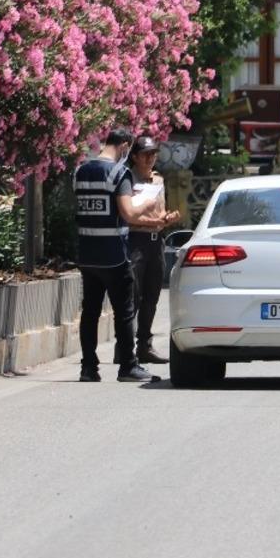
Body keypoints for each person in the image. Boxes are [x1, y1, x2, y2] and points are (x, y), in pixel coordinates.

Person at [73, 129, 168, 383]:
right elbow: (128, 213)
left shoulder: (80, 170)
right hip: (114, 254)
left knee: (90, 311)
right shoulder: (118, 172)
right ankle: (128, 366)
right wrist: (145, 205)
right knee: (124, 311)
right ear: (125, 146)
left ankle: (88, 368)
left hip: (87, 252)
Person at [125, 136, 180, 364]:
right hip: (135, 240)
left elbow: (159, 212)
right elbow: (128, 216)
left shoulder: (158, 180)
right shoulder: (127, 180)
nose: (151, 158)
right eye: (146, 154)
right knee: (133, 296)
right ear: (135, 157)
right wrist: (153, 222)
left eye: (154, 154)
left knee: (152, 296)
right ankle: (125, 346)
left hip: (156, 241)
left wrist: (166, 218)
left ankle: (144, 345)